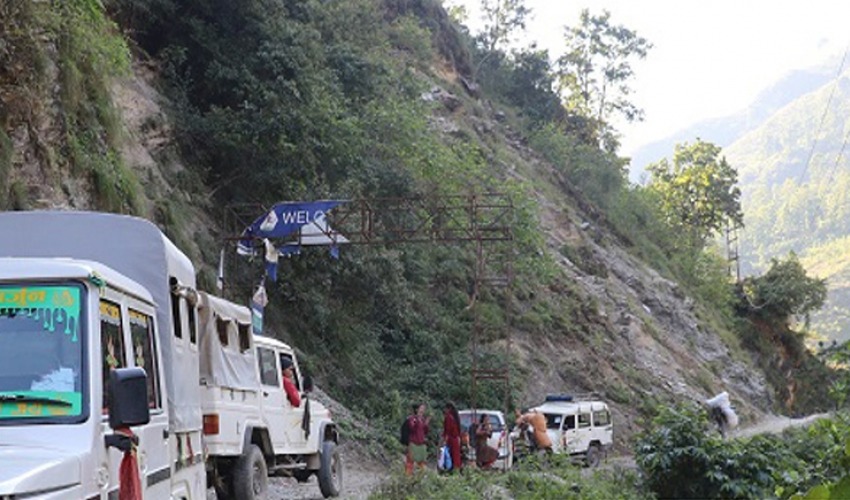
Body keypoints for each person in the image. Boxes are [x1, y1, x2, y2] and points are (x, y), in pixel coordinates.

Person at [405, 403, 430, 475]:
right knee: (410, 461)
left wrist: (426, 424)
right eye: (421, 408)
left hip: (421, 443)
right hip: (413, 442)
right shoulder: (411, 418)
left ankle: (421, 477)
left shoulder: (422, 419)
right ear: (417, 410)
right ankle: (407, 477)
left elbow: (425, 432)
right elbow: (412, 429)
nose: (423, 410)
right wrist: (417, 420)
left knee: (421, 462)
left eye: (424, 409)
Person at [442, 402, 462, 472]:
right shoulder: (455, 417)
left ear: (449, 409)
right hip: (455, 439)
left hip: (451, 439)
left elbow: (447, 430)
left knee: (450, 455)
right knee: (456, 456)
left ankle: (451, 469)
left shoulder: (448, 417)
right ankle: (456, 470)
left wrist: (444, 440)